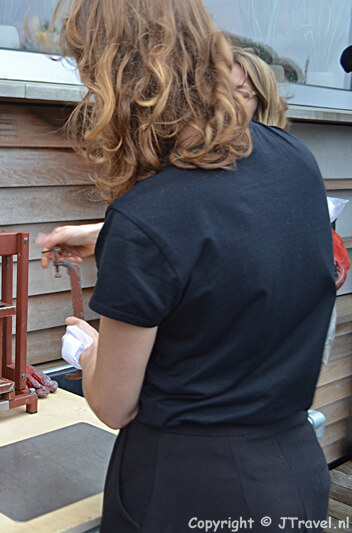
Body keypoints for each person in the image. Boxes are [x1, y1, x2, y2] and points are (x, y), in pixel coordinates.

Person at [37, 0, 335, 531]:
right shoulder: (294, 161)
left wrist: (89, 352)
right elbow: (236, 236)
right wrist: (110, 240)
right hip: (295, 473)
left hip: (188, 493)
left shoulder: (147, 219)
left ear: (119, 81)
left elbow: (113, 405)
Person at [232, 47, 290, 129]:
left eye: (242, 94)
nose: (227, 101)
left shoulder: (277, 141)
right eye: (221, 92)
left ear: (262, 105)